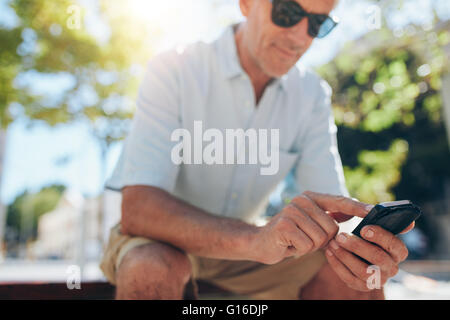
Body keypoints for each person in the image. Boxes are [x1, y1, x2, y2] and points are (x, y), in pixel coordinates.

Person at [100, 0, 413, 299]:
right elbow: (139, 210)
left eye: (319, 23)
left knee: (349, 275)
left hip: (250, 249)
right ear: (246, 3)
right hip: (163, 240)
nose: (301, 36)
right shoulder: (174, 68)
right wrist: (255, 239)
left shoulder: (311, 94)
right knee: (150, 267)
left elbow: (331, 213)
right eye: (288, 11)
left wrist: (360, 250)